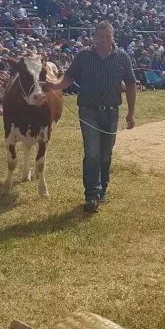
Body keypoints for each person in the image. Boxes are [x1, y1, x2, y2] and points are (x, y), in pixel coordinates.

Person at [43, 22, 136, 214]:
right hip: (88, 111)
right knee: (92, 153)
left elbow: (131, 83)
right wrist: (55, 85)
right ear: (95, 37)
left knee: (106, 154)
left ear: (113, 36)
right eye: (101, 36)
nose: (104, 40)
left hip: (111, 111)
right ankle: (92, 195)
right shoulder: (84, 56)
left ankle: (103, 189)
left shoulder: (122, 57)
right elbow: (68, 77)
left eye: (108, 36)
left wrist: (131, 112)